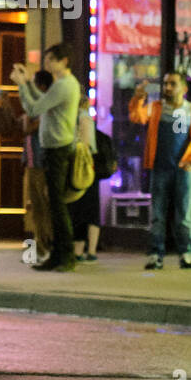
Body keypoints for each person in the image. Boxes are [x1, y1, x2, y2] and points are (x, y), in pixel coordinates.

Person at [13, 43, 80, 272]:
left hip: (58, 150)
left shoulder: (64, 85)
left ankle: (65, 254)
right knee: (54, 205)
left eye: (51, 59)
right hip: (54, 149)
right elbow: (41, 101)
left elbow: (34, 109)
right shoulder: (61, 85)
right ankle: (58, 254)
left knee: (57, 206)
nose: (47, 64)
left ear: (64, 61)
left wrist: (23, 86)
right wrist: (28, 84)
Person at [129, 72, 191, 270]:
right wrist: (138, 97)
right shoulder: (156, 108)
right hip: (160, 168)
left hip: (183, 170)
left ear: (184, 89)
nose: (168, 88)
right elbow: (137, 116)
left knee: (184, 214)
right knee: (158, 214)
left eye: (173, 84)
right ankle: (156, 253)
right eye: (165, 84)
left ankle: (185, 252)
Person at [21, 70, 55, 265]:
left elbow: (28, 128)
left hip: (41, 165)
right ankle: (33, 249)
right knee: (32, 208)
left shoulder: (44, 107)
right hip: (31, 163)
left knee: (41, 207)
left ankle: (43, 248)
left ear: (41, 87)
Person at [70, 90, 101, 262]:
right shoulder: (85, 118)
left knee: (81, 210)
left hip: (80, 168)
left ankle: (81, 250)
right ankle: (90, 250)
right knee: (89, 211)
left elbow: (85, 145)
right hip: (87, 168)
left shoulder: (78, 118)